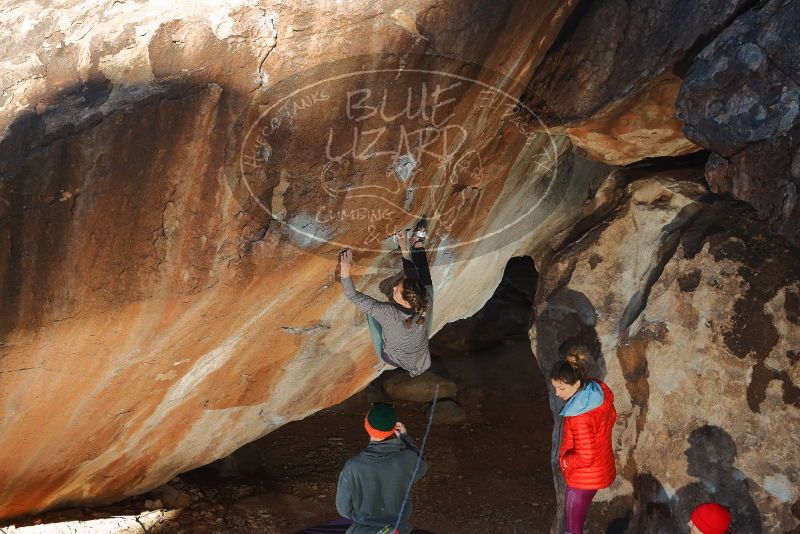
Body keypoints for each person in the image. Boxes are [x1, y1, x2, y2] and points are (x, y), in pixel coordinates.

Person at [338, 223, 433, 377]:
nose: (394, 286)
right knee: (426, 286)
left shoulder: (387, 313)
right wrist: (403, 246)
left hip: (393, 358)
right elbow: (412, 278)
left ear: (404, 301)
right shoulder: (425, 301)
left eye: (397, 289)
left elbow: (352, 295)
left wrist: (345, 267)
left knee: (371, 311)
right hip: (419, 356)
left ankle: (417, 244)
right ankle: (417, 243)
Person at [335, 403, 428, 534]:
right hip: (400, 530)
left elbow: (343, 509)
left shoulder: (353, 466)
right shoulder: (407, 460)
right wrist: (405, 438)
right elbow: (422, 463)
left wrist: (362, 518)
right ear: (394, 428)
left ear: (366, 425)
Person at [551, 351, 617, 534]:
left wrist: (564, 462)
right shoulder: (597, 392)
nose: (557, 393)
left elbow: (585, 456)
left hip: (583, 478)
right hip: (599, 468)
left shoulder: (579, 416)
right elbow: (611, 419)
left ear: (577, 384)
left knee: (572, 528)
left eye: (562, 388)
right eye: (555, 387)